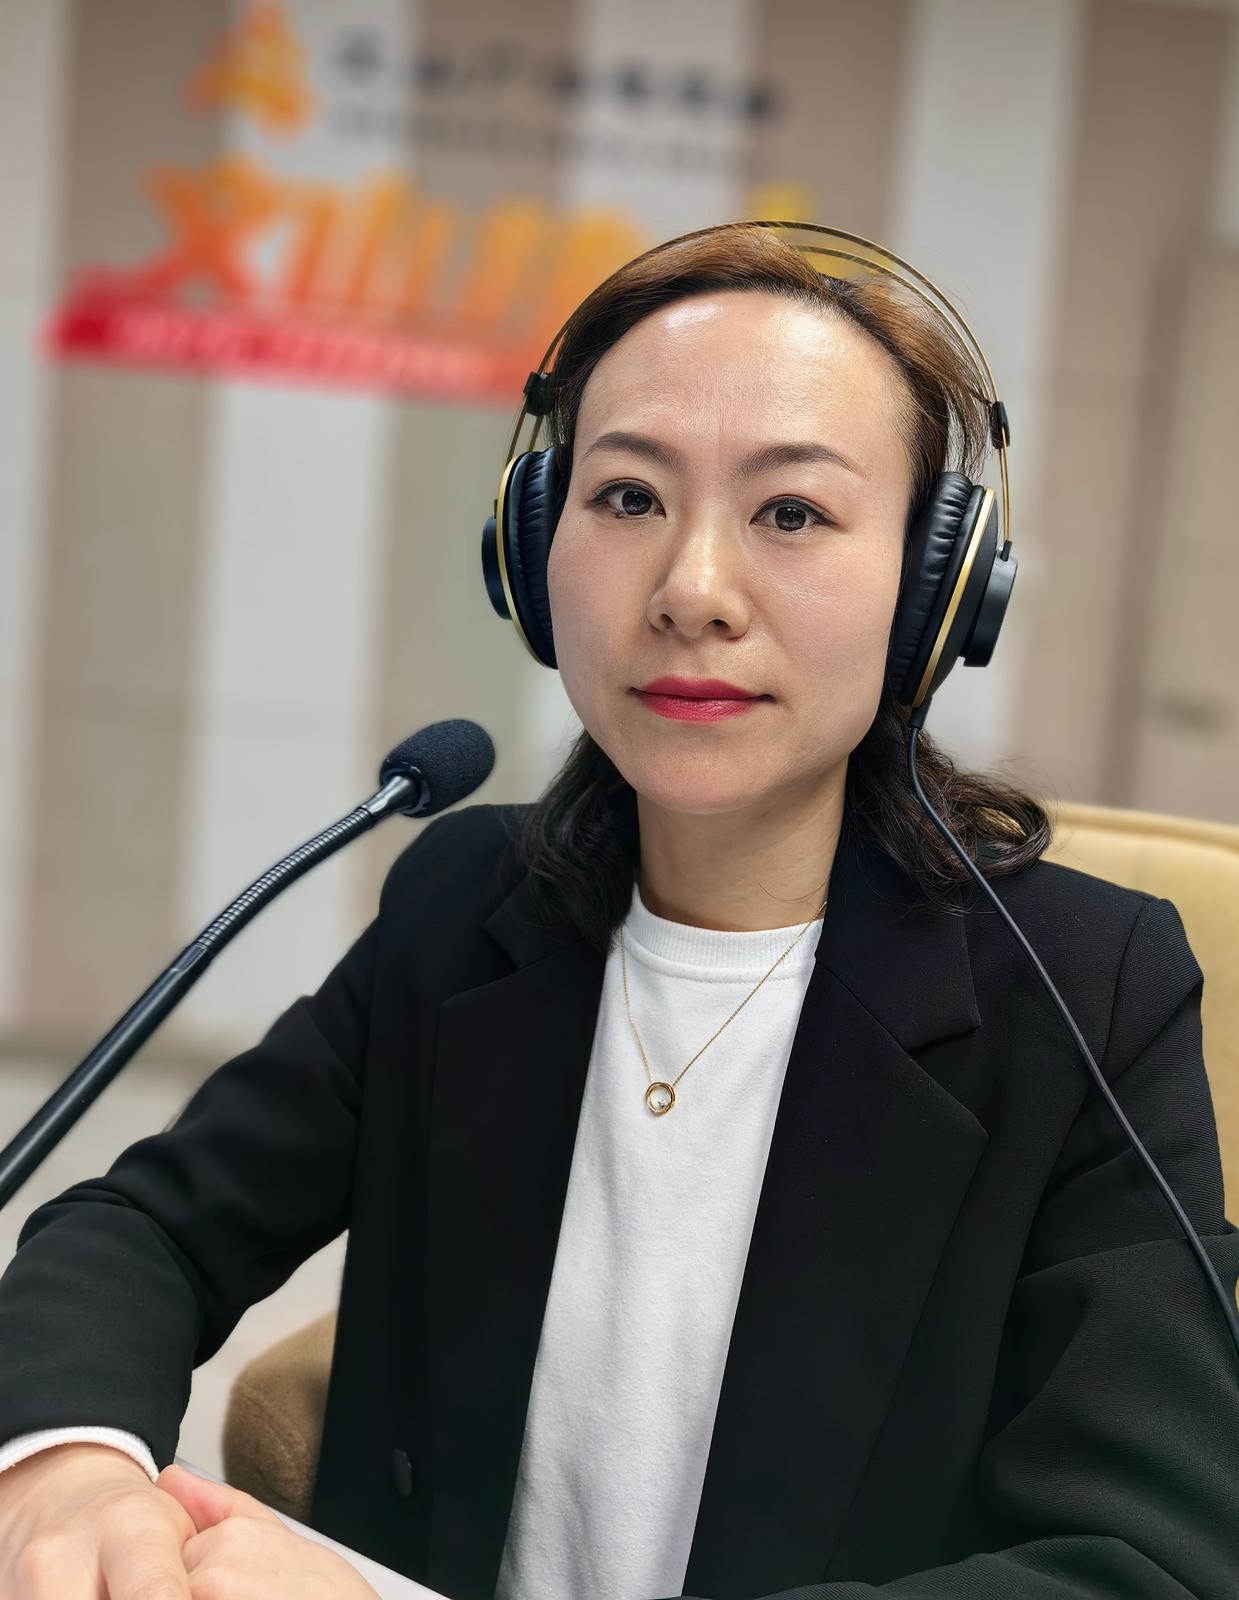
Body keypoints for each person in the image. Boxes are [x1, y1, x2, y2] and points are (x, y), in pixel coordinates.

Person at [0, 223, 1236, 1600]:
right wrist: (69, 1466)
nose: (692, 592)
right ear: (534, 547)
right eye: (629, 496)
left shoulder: (1087, 991)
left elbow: (1148, 1565)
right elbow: (149, 1225)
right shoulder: (468, 905)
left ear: (936, 590)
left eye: (792, 513)